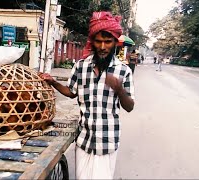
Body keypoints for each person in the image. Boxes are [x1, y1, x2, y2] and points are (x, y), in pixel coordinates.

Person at [39, 11, 135, 179]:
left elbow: (129, 107)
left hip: (107, 140)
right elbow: (71, 92)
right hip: (84, 139)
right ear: (92, 42)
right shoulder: (81, 67)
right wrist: (53, 82)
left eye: (108, 41)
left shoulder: (123, 71)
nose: (103, 47)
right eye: (99, 41)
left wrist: (119, 90)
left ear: (115, 43)